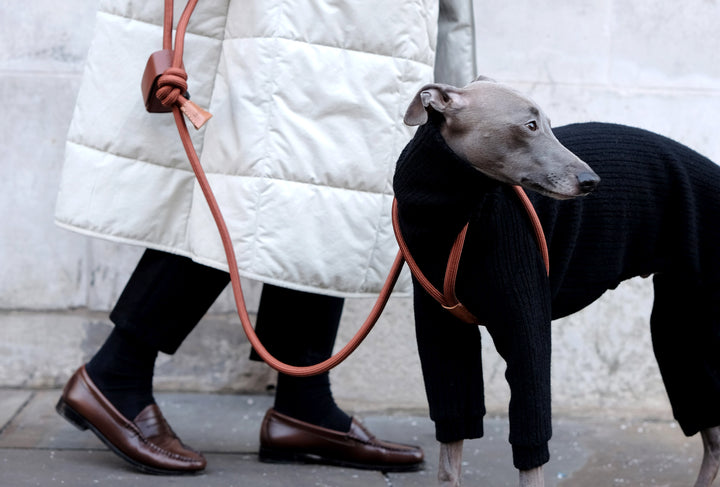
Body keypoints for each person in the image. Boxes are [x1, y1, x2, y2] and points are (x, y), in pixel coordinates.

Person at [54, 0, 476, 475]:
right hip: (306, 17)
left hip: (368, 23)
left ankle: (303, 404)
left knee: (329, 187)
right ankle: (116, 372)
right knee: (255, 185)